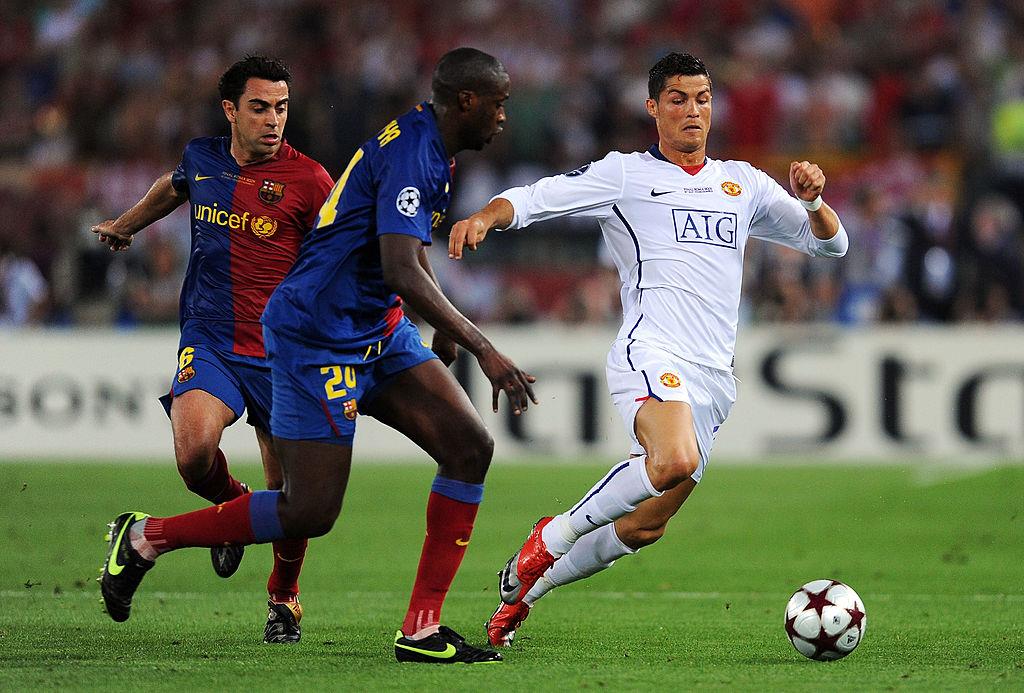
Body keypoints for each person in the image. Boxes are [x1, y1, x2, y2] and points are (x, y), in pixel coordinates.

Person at [100, 47, 536, 664]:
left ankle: (420, 630)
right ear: (467, 102)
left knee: (469, 448)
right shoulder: (413, 152)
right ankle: (148, 537)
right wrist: (481, 347)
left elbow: (404, 245)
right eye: (499, 104)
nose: (504, 116)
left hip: (376, 328)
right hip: (316, 335)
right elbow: (398, 266)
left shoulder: (425, 144)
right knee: (308, 509)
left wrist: (440, 327)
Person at [448, 52, 850, 647]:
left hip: (714, 376)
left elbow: (832, 246)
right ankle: (552, 536)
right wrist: (486, 216)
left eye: (703, 99)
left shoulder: (742, 184)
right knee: (674, 461)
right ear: (653, 108)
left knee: (643, 527)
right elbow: (537, 198)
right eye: (678, 99)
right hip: (652, 349)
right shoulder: (625, 175)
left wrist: (814, 203)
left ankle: (524, 594)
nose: (693, 111)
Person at [92, 55, 334, 643]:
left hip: (283, 352)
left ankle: (284, 598)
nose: (273, 120)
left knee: (290, 498)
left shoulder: (310, 180)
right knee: (193, 455)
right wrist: (126, 225)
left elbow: (340, 251)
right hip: (211, 337)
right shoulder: (202, 159)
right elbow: (172, 187)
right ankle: (232, 506)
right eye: (259, 107)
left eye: (281, 108)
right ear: (230, 109)